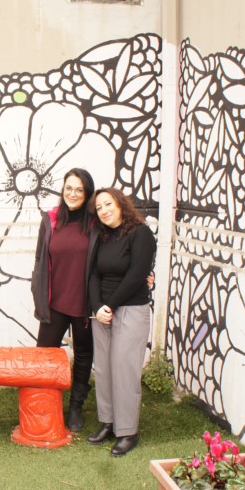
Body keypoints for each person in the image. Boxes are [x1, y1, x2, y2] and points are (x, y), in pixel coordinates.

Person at [86, 187, 156, 457]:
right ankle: (108, 422)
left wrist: (110, 305)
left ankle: (127, 432)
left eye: (108, 204)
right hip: (102, 313)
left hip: (130, 310)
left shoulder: (140, 233)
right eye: (99, 208)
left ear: (120, 204)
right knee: (104, 369)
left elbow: (138, 274)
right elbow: (93, 274)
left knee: (124, 371)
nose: (104, 210)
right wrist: (97, 308)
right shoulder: (102, 236)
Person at [31, 168, 98, 433]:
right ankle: (43, 405)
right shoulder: (50, 220)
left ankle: (76, 407)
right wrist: (38, 293)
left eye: (79, 189)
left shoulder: (95, 223)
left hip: (85, 304)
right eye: (69, 188)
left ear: (87, 193)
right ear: (63, 189)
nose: (73, 193)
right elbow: (39, 259)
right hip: (54, 303)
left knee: (83, 355)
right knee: (44, 356)